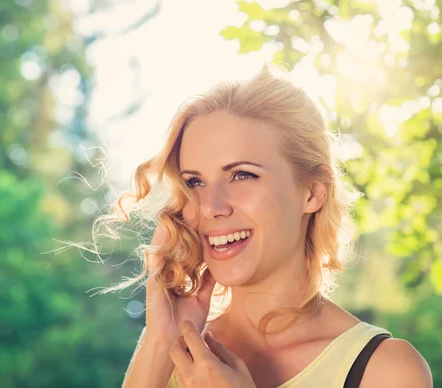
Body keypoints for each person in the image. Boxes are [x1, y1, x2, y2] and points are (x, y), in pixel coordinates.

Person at [99, 65, 432, 387]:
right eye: (195, 182)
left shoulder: (384, 370)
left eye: (242, 175)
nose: (212, 207)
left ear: (313, 192)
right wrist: (159, 342)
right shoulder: (175, 356)